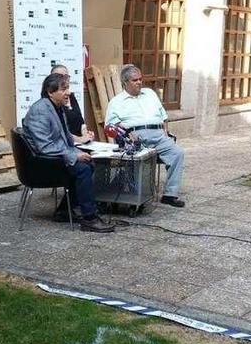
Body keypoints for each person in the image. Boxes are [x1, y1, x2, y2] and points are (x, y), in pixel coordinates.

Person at [20, 73, 115, 233]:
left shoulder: (56, 107)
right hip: (41, 164)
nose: (68, 92)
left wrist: (80, 145)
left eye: (68, 88)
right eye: (64, 89)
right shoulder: (40, 111)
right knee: (83, 169)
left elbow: (62, 136)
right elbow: (45, 146)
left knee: (88, 163)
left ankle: (64, 211)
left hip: (52, 158)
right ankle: (89, 218)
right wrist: (74, 155)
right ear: (51, 92)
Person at [104, 64, 186, 208]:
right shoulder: (116, 102)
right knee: (133, 160)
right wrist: (127, 134)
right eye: (135, 80)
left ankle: (170, 194)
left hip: (158, 135)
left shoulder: (150, 94)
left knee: (177, 153)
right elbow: (111, 126)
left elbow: (163, 116)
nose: (139, 82)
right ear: (125, 83)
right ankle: (135, 196)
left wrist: (165, 132)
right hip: (135, 136)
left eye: (140, 79)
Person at [45, 64, 94, 144]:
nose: (64, 80)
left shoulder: (71, 96)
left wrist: (86, 135)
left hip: (79, 143)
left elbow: (81, 122)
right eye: (59, 77)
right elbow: (59, 132)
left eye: (66, 77)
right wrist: (80, 139)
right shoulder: (49, 103)